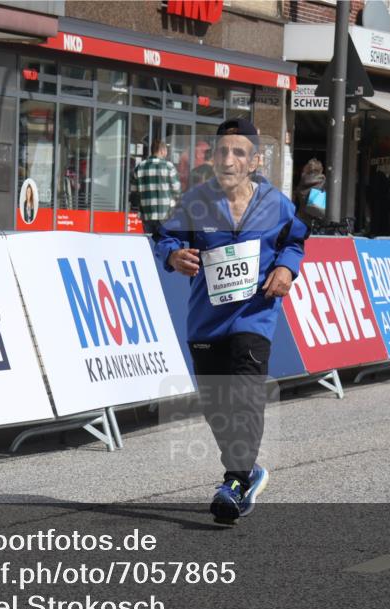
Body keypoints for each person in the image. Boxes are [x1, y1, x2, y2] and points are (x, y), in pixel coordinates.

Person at [154, 118, 308, 524]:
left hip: (254, 317)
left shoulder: (276, 204)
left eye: (239, 152)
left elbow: (294, 241)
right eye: (222, 150)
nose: (229, 158)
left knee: (244, 396)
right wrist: (173, 255)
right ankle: (248, 471)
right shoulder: (195, 201)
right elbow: (167, 237)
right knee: (217, 407)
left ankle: (235, 481)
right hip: (207, 320)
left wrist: (287, 270)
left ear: (255, 161)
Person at [130, 140, 181, 235]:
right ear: (162, 151)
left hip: (146, 215)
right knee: (165, 243)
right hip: (165, 215)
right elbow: (177, 190)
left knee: (150, 243)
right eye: (166, 150)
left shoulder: (140, 167)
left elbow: (134, 193)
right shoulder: (169, 166)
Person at [294, 157, 326, 222]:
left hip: (301, 219)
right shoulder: (324, 182)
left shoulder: (302, 183)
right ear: (320, 170)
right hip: (318, 220)